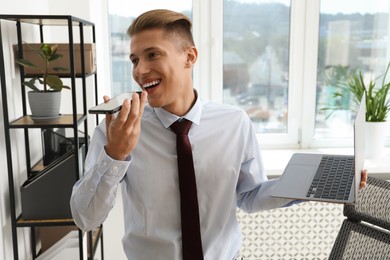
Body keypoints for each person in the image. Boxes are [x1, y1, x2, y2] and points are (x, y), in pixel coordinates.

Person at [70, 9, 368, 260]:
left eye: (152, 55)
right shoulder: (118, 129)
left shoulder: (234, 123)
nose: (140, 70)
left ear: (189, 57)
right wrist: (116, 155)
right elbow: (85, 218)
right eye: (135, 59)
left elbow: (249, 196)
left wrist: (312, 187)